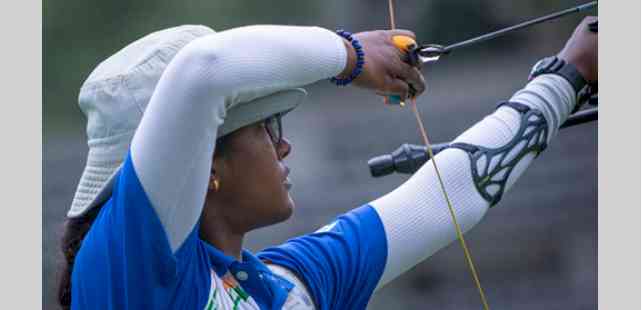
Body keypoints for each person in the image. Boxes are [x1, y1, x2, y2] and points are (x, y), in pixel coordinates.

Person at [58, 16, 597, 310]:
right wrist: (351, 56)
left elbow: (440, 199)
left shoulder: (281, 288)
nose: (284, 146)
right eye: (268, 128)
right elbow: (205, 69)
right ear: (204, 163)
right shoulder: (125, 278)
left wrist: (567, 76)